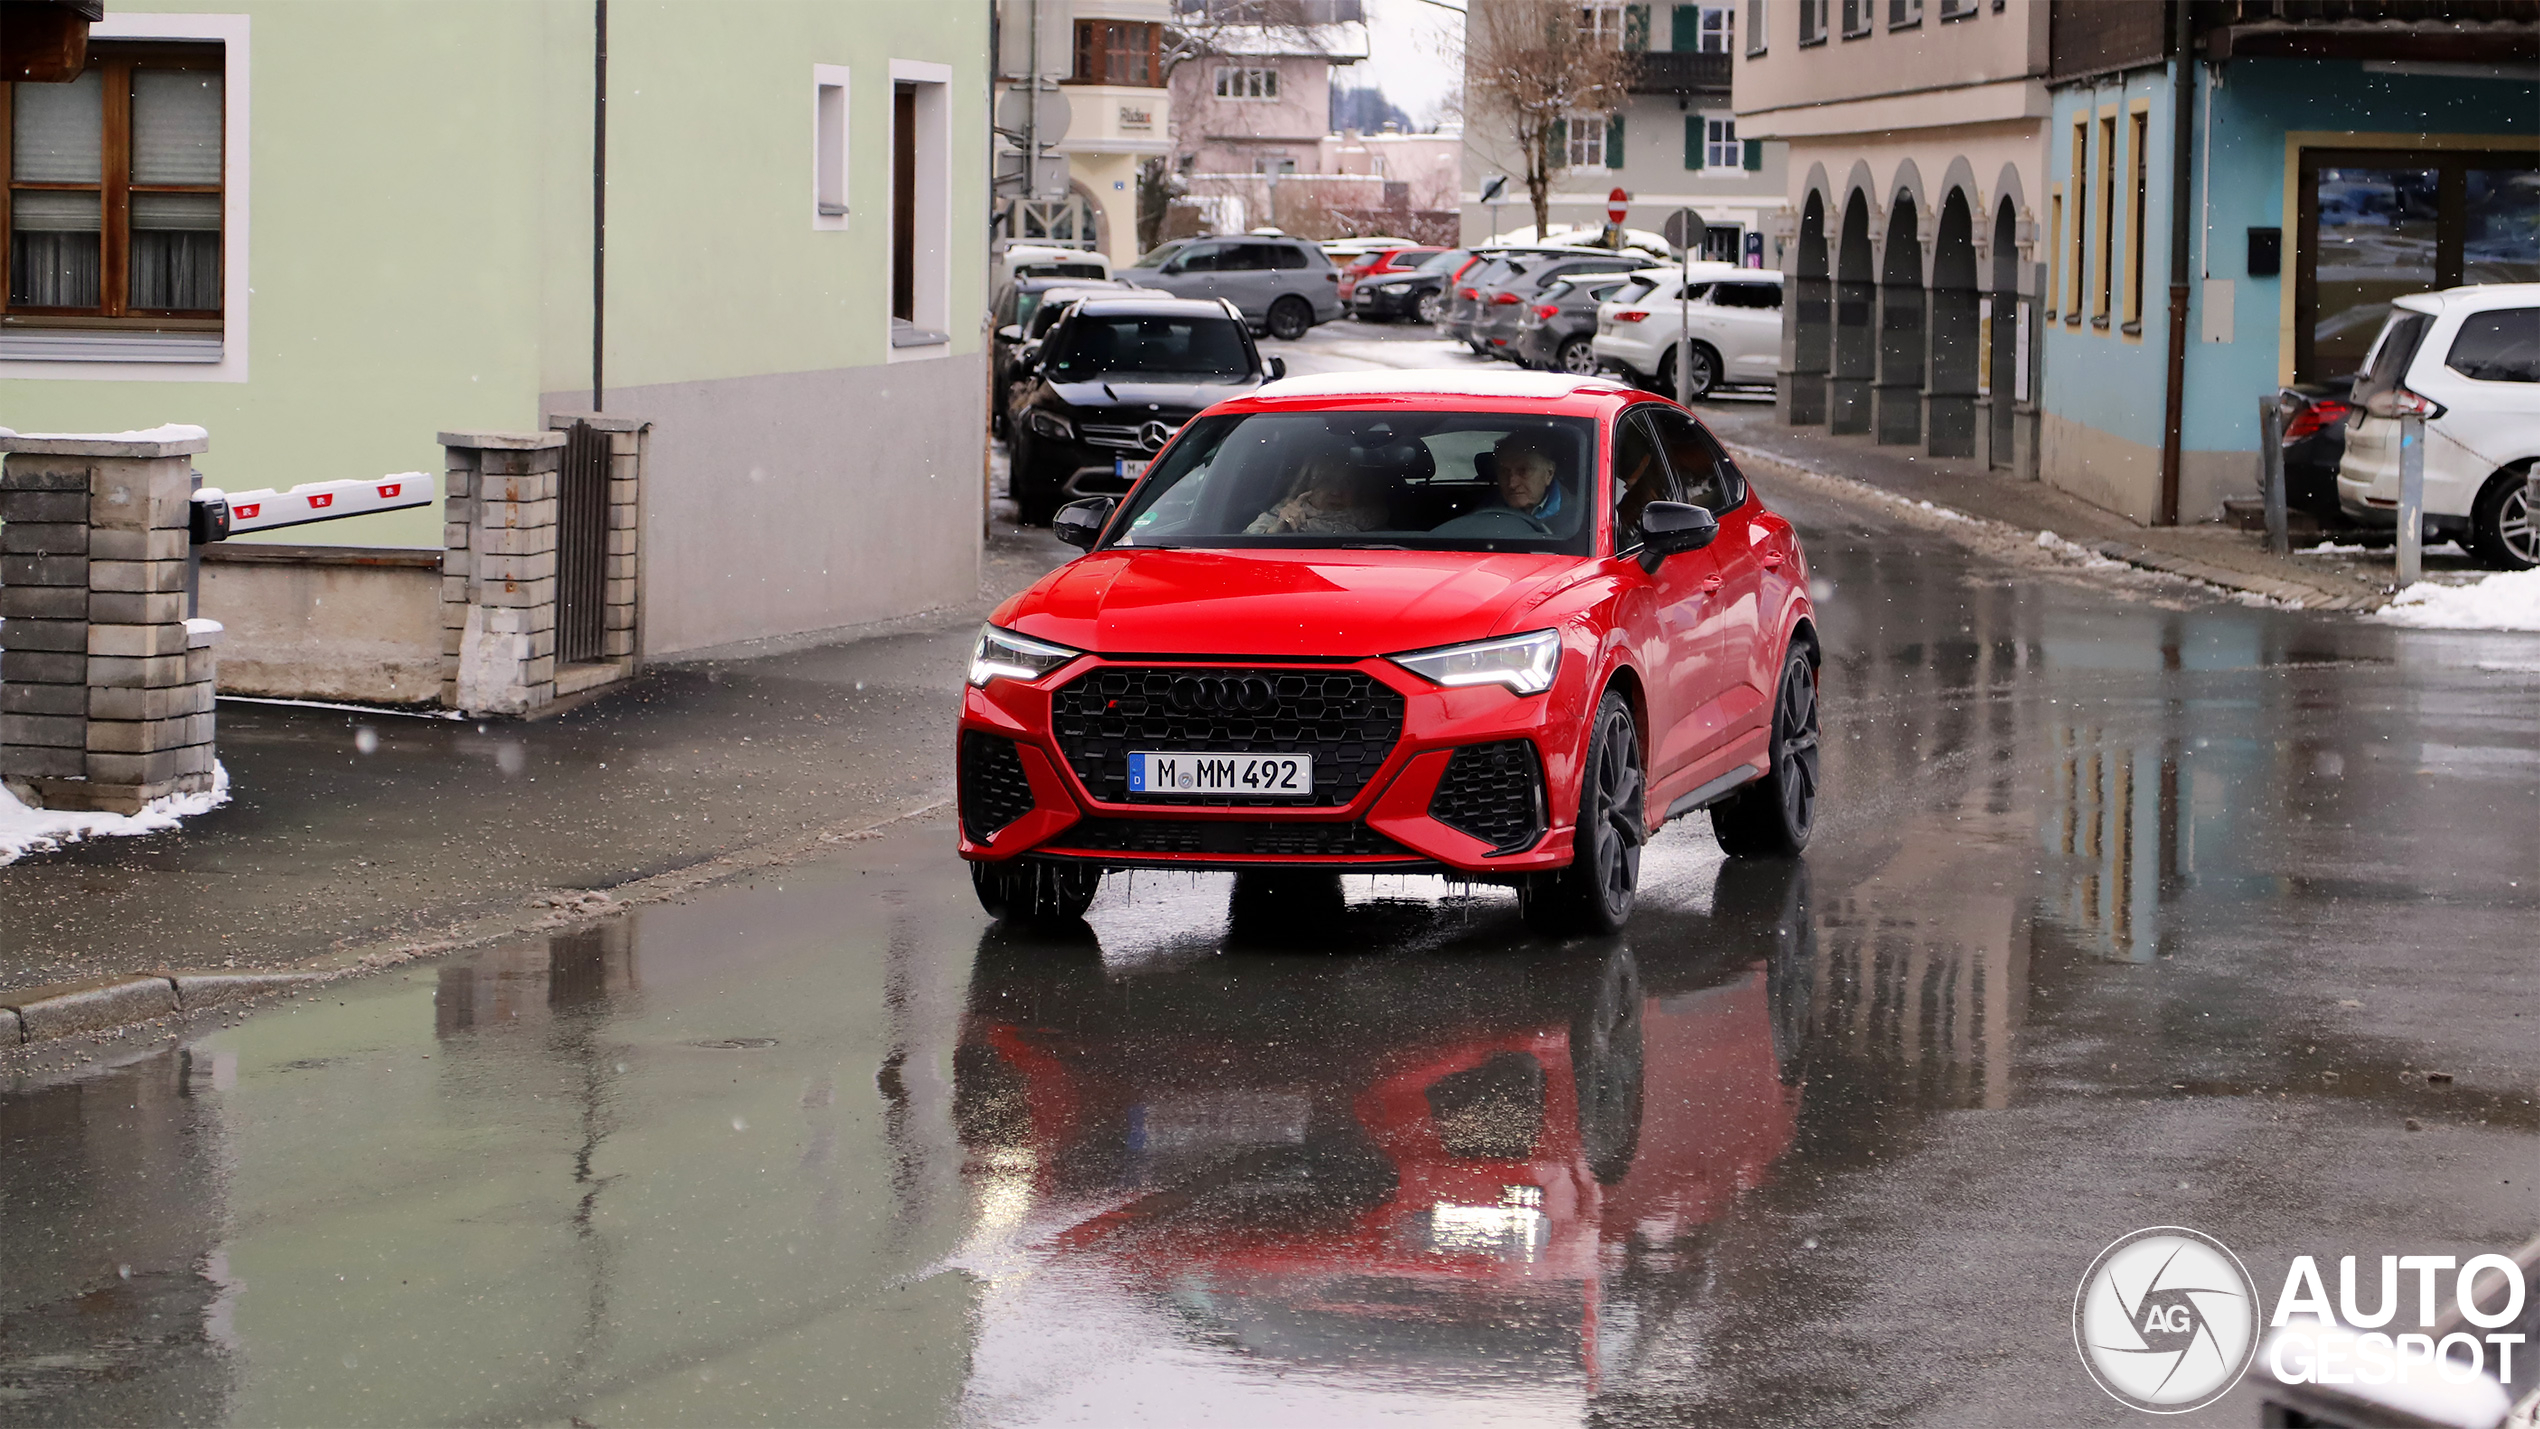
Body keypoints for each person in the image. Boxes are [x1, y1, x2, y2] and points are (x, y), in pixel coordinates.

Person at [1245, 451, 1389, 534]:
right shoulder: (1276, 517)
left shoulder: (1379, 530)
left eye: (1347, 483)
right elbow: (1246, 548)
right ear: (1306, 487)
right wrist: (1278, 531)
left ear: (1359, 492)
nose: (1336, 492)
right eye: (1326, 482)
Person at [1488, 430, 1570, 526]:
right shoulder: (1484, 515)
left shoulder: (1581, 518)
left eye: (1523, 471)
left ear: (1549, 473)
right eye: (1504, 472)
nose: (1512, 484)